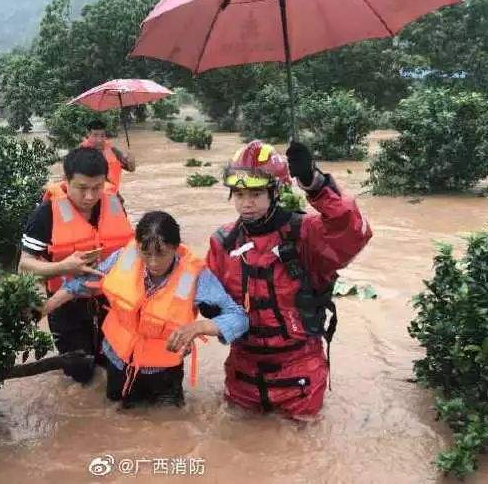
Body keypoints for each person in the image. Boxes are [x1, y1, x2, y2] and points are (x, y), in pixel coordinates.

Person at [168, 140, 372, 418]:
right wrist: (187, 332)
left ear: (274, 191)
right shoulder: (222, 242)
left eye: (255, 194)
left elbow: (352, 231)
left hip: (300, 373)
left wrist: (315, 183)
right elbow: (202, 296)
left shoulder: (305, 234)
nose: (246, 203)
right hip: (242, 373)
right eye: (239, 194)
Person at [43, 211, 249, 407]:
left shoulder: (197, 277)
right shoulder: (123, 258)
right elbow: (81, 284)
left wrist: (199, 327)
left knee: (168, 431)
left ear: (176, 247)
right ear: (138, 246)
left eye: (161, 254)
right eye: (146, 253)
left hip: (163, 372)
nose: (153, 262)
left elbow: (239, 317)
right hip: (117, 362)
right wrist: (43, 309)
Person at [18, 147, 134, 384]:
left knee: (114, 367)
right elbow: (24, 266)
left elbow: (130, 252)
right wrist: (63, 267)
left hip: (110, 302)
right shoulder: (45, 215)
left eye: (97, 187)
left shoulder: (114, 202)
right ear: (67, 180)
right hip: (66, 306)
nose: (90, 196)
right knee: (80, 375)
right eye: (82, 188)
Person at [81, 119, 136, 192]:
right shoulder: (80, 153)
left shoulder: (112, 150)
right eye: (95, 135)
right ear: (88, 134)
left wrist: (131, 160)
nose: (99, 140)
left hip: (111, 193)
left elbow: (131, 169)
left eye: (102, 135)